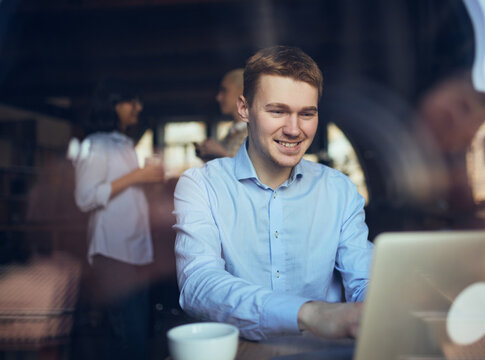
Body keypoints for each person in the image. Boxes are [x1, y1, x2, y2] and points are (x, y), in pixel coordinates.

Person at [173, 46, 373, 341]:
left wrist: (372, 306)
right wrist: (308, 313)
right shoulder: (201, 185)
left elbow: (364, 277)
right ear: (244, 109)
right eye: (277, 111)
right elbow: (198, 284)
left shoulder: (339, 190)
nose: (294, 129)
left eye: (307, 113)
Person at [73, 80, 164, 360]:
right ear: (113, 105)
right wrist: (137, 176)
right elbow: (84, 198)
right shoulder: (95, 144)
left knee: (134, 335)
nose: (139, 107)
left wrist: (150, 182)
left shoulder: (124, 144)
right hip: (112, 251)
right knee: (129, 336)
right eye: (131, 101)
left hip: (136, 249)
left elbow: (125, 196)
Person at [194, 68, 248, 161]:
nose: (218, 98)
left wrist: (221, 154)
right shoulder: (231, 133)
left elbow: (253, 172)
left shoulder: (255, 133)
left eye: (224, 90)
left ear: (241, 92)